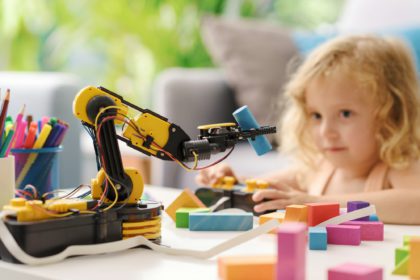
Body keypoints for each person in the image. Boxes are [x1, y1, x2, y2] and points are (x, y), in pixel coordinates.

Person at [195, 35, 420, 224]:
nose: (326, 131)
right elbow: (266, 191)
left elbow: (415, 203)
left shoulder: (398, 165)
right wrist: (232, 183)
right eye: (316, 116)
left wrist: (314, 202)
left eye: (345, 114)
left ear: (393, 113)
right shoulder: (317, 169)